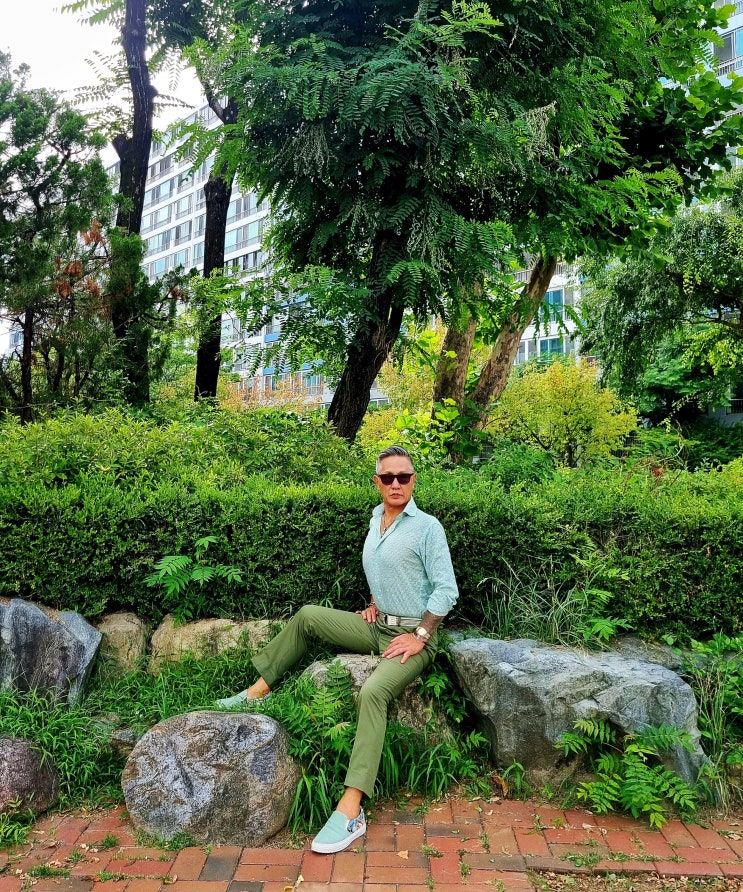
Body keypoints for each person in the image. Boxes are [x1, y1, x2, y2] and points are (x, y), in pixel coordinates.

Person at [216, 445, 458, 854]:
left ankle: (351, 809)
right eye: (387, 477)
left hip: (411, 639)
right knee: (309, 615)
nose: (395, 484)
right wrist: (375, 602)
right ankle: (258, 691)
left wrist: (420, 635)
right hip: (378, 626)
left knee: (373, 692)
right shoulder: (377, 520)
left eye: (403, 477)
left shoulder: (427, 528)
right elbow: (387, 571)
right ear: (376, 482)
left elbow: (446, 589)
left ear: (414, 481)